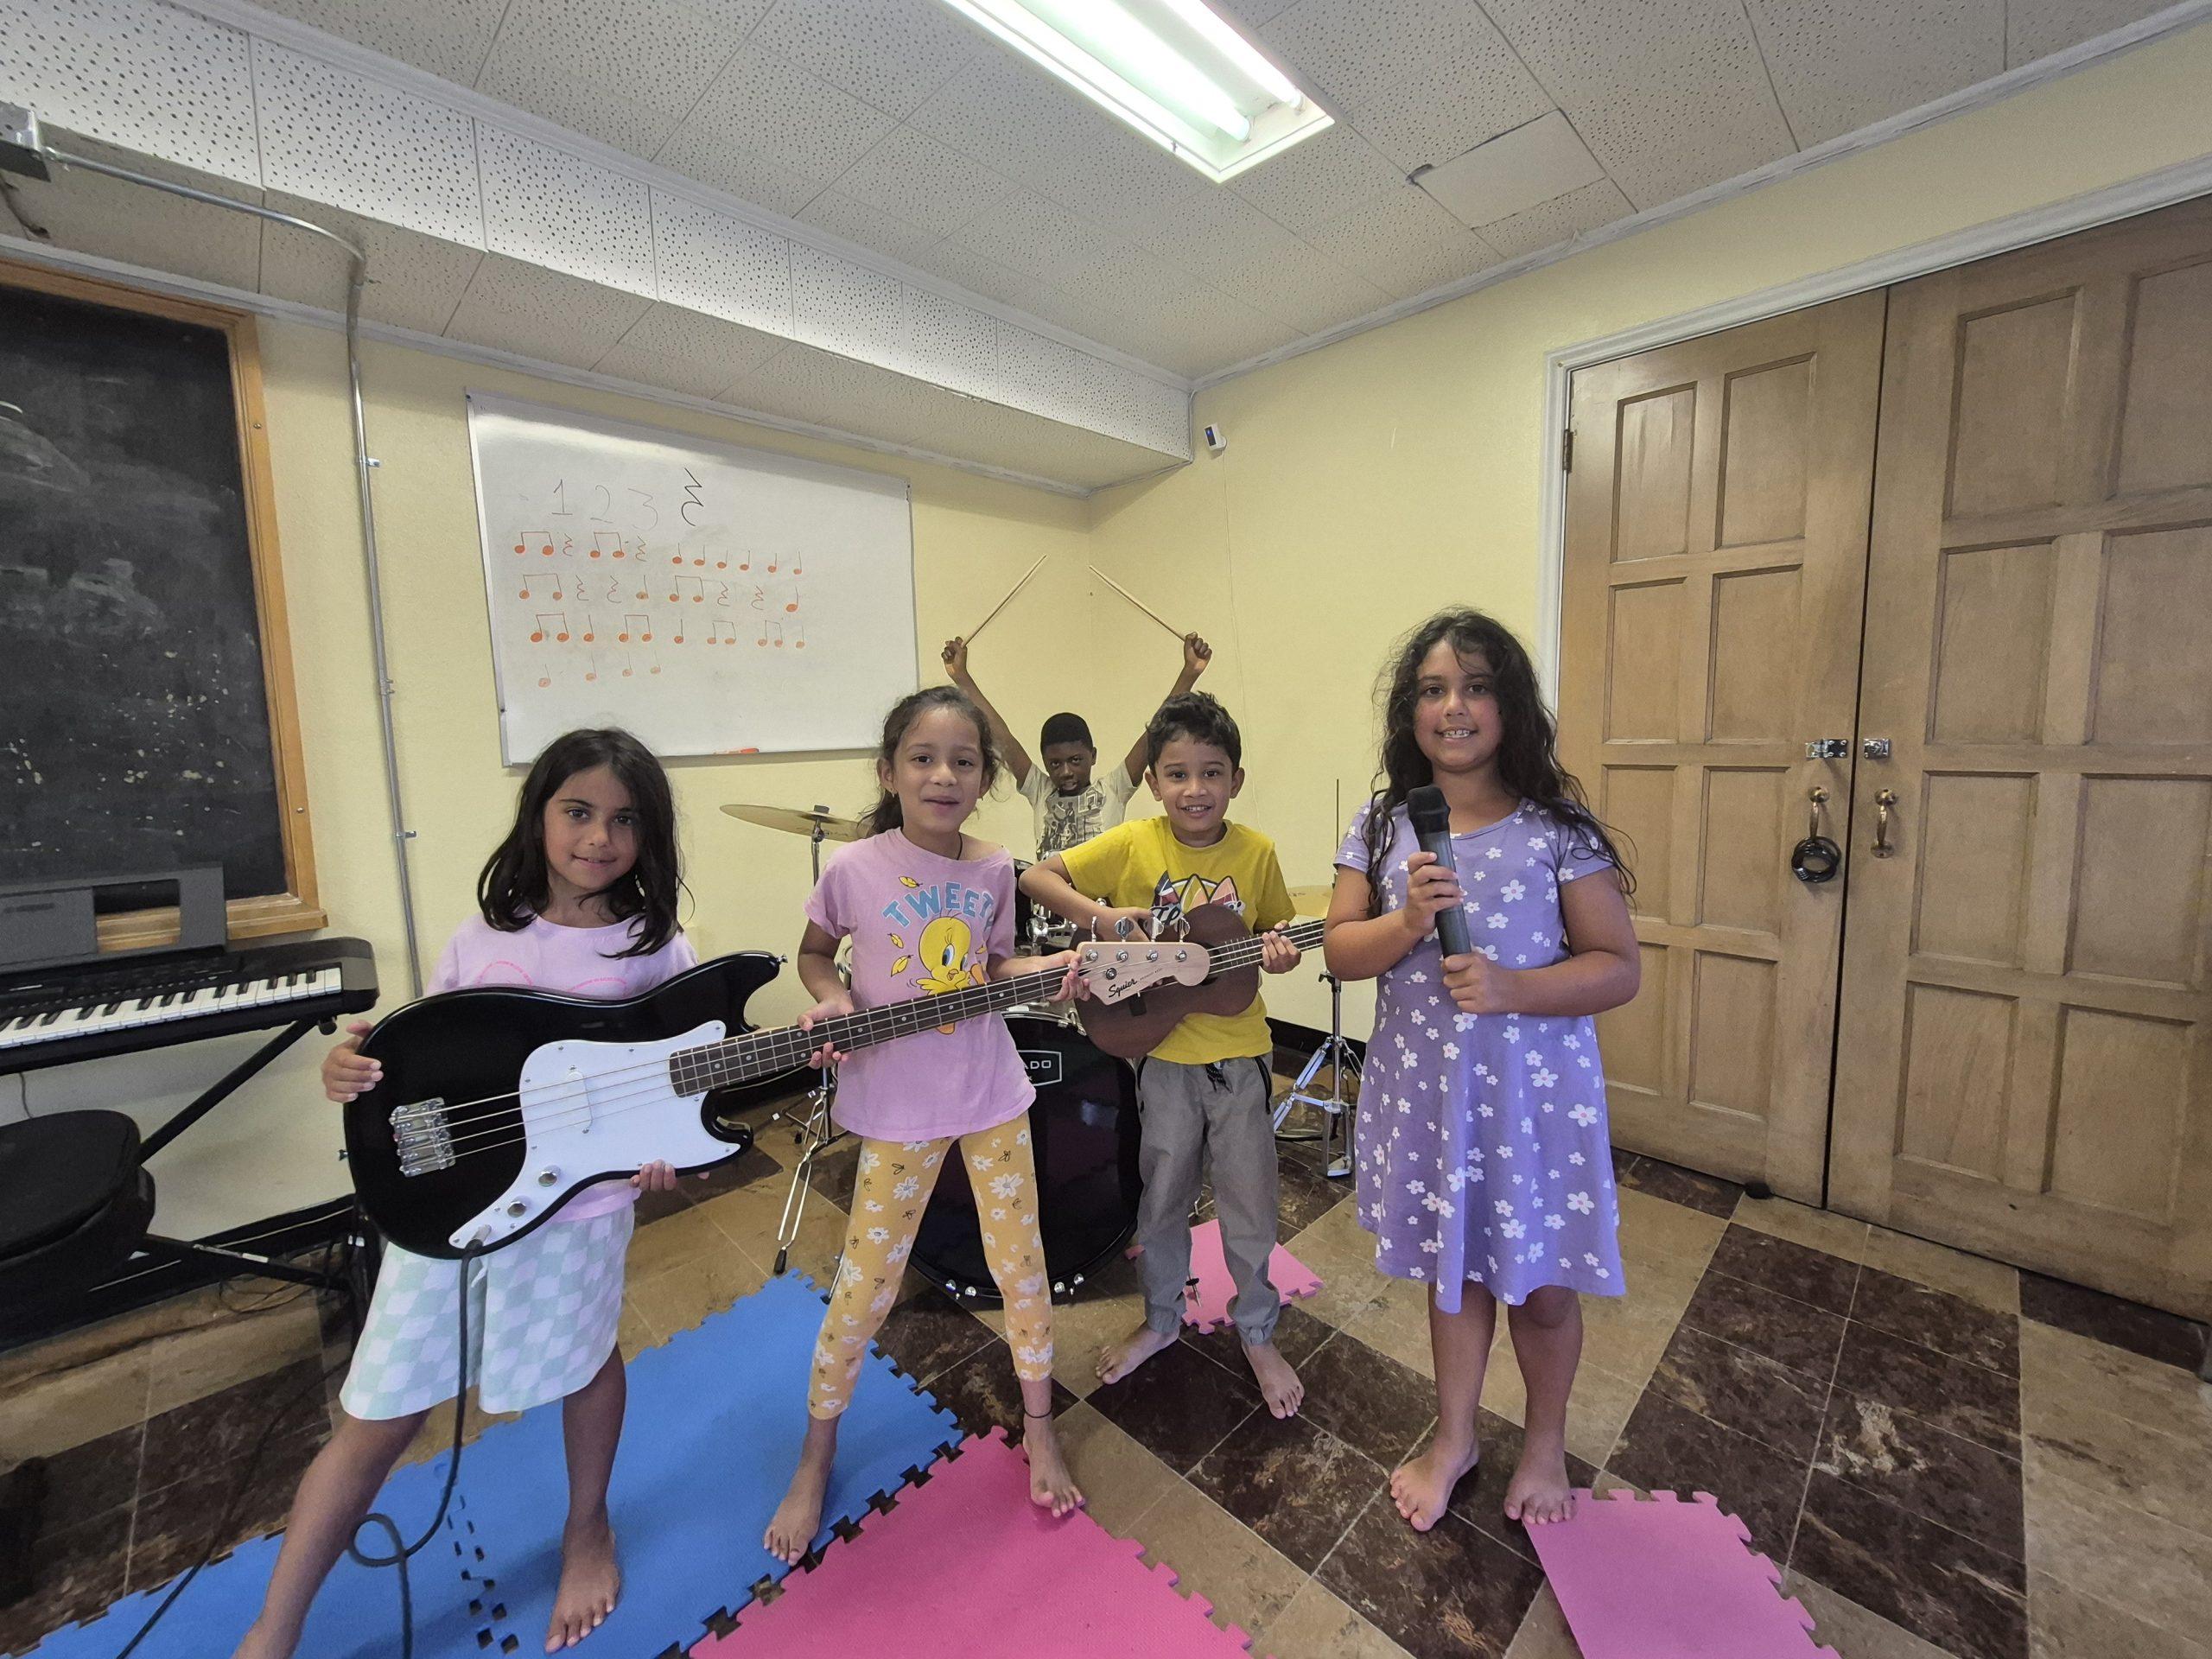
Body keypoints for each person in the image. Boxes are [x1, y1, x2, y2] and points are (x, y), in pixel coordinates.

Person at [238, 729, 696, 1657]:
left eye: (623, 820)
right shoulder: (481, 935)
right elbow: (417, 1068)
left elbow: (680, 1078)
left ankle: (586, 1527)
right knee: (379, 1411)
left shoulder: (659, 949)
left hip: (579, 1211)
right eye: (577, 811)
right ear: (538, 815)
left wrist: (665, 1153)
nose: (597, 838)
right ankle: (271, 1631)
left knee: (582, 1363)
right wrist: (351, 1072)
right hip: (445, 1211)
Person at [1321, 609, 1639, 1533]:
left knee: (1541, 1288)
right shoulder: (1382, 823)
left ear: (1510, 706)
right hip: (1428, 1097)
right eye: (1431, 690)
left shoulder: (1555, 830)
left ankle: (1543, 1448)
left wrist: (1508, 986)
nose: (1452, 707)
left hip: (1532, 1105)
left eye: (1474, 687)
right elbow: (1342, 953)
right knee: (1451, 1275)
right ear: (1408, 710)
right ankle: (1453, 1436)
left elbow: (1615, 967)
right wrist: (1406, 923)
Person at [764, 685, 1084, 1565]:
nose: (943, 775)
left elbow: (992, 963)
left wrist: (1047, 969)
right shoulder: (854, 868)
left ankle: (1039, 1427)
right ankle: (815, 1454)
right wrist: (829, 1002)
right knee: (863, 1285)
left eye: (963, 762)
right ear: (889, 770)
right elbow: (814, 954)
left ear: (983, 778)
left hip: (990, 1092)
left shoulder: (992, 868)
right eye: (923, 758)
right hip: (895, 1107)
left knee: (1022, 1268)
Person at [1019, 691, 1306, 1417]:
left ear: (1236, 780)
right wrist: (1102, 915)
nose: (1195, 789)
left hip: (1241, 1055)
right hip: (1161, 1056)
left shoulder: (1257, 851)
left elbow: (1278, 934)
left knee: (1250, 1201)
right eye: (1177, 773)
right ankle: (1160, 1318)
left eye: (1212, 773)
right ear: (1153, 782)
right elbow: (1037, 875)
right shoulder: (1134, 843)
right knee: (1164, 1195)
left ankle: (1258, 1329)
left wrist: (1278, 953)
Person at [942, 630, 1211, 856]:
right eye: (1055, 764)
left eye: (1076, 760)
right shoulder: (1041, 791)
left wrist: (1189, 673)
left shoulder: (1113, 789)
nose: (1066, 771)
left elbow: (1155, 731)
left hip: (1103, 909)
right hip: (1052, 913)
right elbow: (1003, 738)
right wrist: (961, 677)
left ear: (1092, 756)